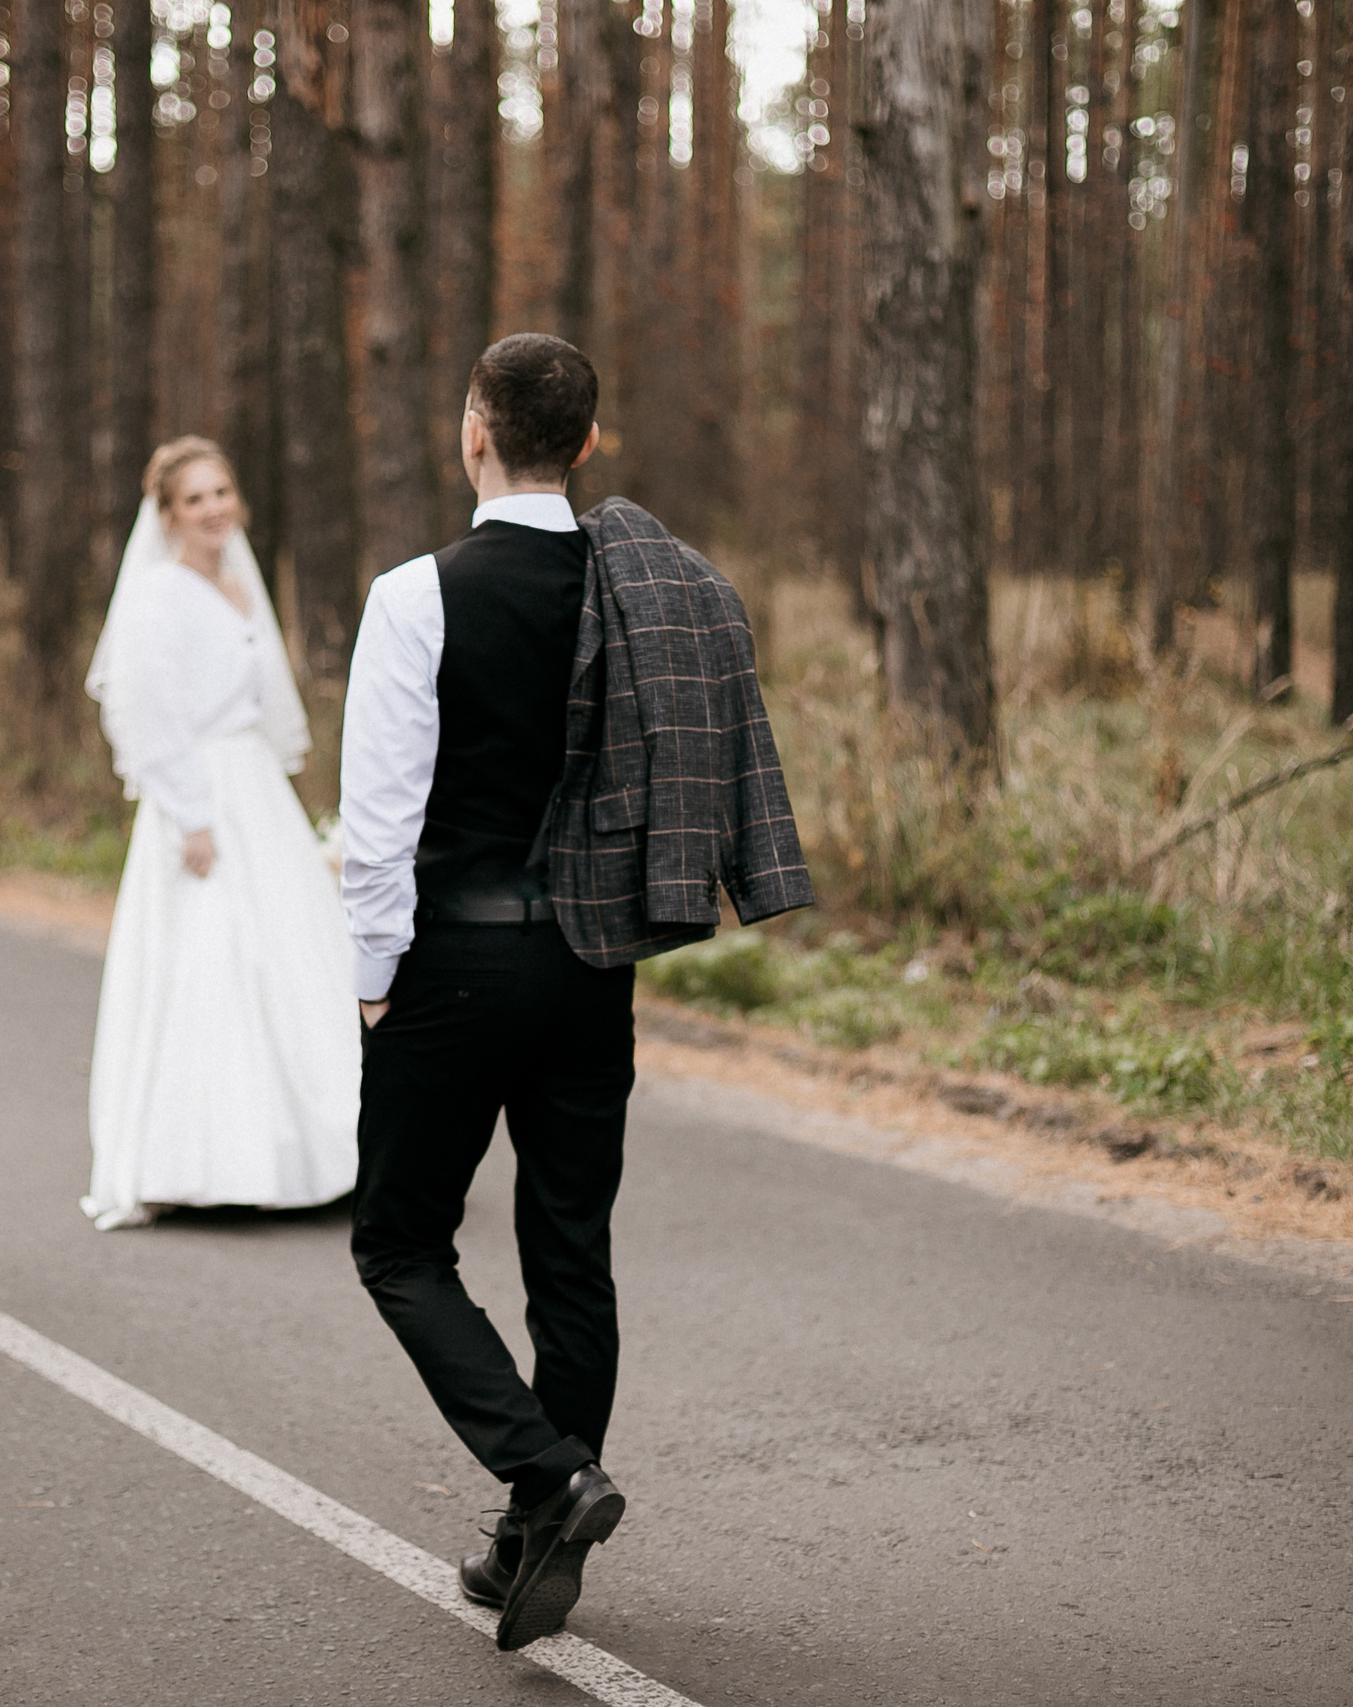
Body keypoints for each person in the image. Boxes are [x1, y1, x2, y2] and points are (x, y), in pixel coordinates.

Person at [339, 336, 813, 1650]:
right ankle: (527, 1540)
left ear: (474, 434)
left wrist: (374, 982)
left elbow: (377, 826)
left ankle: (546, 1477)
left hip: (456, 959)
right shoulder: (644, 587)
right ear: (589, 447)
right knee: (570, 1253)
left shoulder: (415, 595)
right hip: (595, 963)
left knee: (397, 1240)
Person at [79, 438, 359, 1231]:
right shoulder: (159, 596)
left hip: (253, 789)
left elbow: (264, 710)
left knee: (292, 955)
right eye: (194, 498)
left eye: (222, 492)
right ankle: (204, 1156)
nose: (212, 509)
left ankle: (318, 1150)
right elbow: (142, 708)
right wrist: (189, 812)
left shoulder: (240, 587)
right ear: (168, 516)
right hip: (197, 793)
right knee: (210, 958)